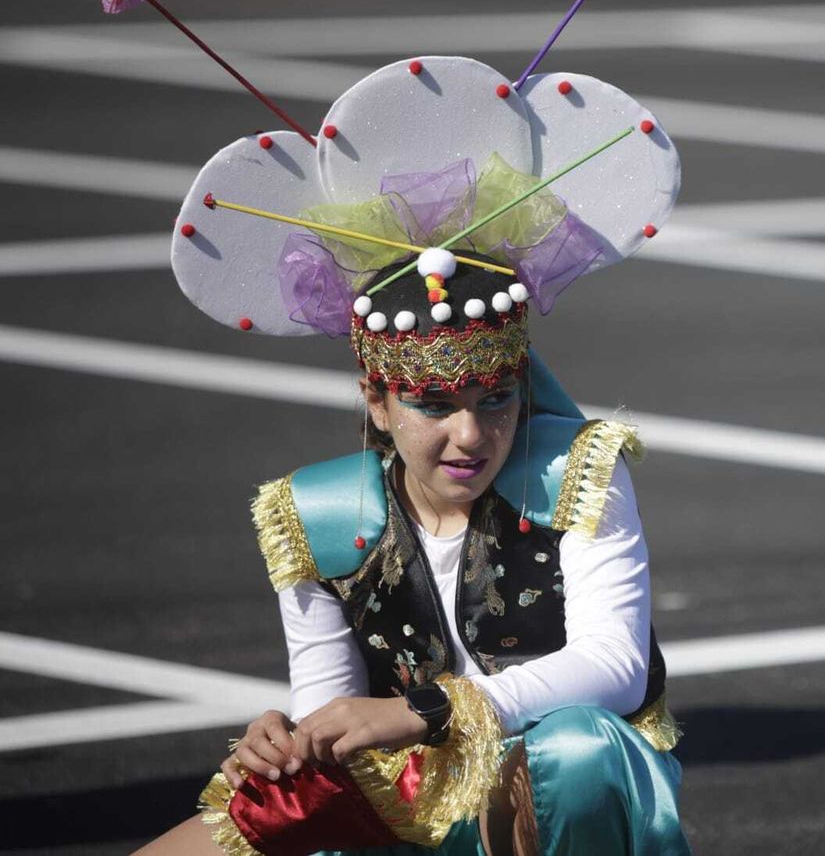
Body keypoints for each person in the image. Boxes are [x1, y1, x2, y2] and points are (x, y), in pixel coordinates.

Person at [135, 49, 690, 856]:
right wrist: (288, 738)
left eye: (495, 398)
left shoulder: (579, 474)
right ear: (378, 401)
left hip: (548, 796)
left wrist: (423, 710)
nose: (470, 435)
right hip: (407, 796)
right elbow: (333, 709)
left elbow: (614, 668)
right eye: (433, 404)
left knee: (579, 751)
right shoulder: (320, 516)